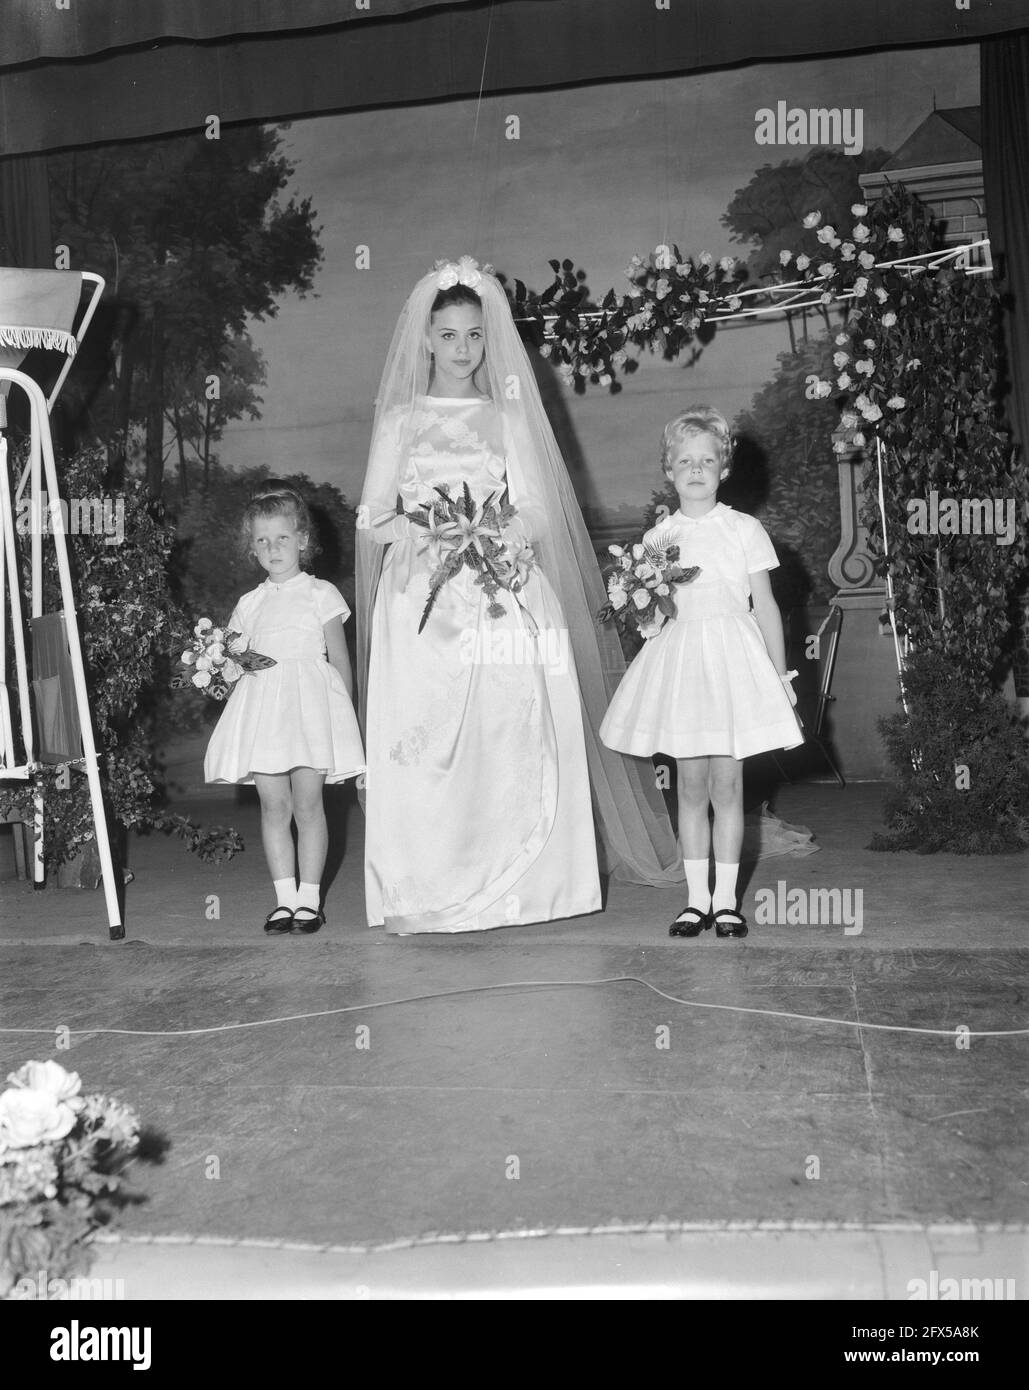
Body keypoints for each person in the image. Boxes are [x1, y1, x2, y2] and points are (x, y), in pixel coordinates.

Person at [356, 255, 681, 935]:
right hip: (420, 600)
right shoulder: (400, 423)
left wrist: (496, 534)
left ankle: (524, 882)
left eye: (474, 335)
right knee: (424, 742)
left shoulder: (506, 419)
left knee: (507, 732)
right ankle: (428, 889)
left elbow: (535, 509)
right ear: (425, 339)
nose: (462, 350)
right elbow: (371, 518)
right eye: (447, 336)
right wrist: (431, 532)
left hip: (497, 590)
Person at [600, 406, 803, 939]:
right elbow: (651, 613)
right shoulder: (657, 539)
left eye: (707, 460)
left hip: (734, 663)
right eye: (685, 461)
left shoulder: (744, 529)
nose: (696, 470)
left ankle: (727, 902)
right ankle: (695, 901)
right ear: (669, 469)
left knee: (728, 785)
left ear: (724, 469)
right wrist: (640, 607)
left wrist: (780, 677)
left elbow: (766, 606)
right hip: (685, 666)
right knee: (690, 785)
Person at [204, 482, 365, 934]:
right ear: (251, 547)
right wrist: (215, 663)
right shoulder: (249, 605)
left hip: (312, 712)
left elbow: (339, 661)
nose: (272, 548)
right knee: (274, 807)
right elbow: (237, 663)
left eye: (282, 538)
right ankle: (284, 899)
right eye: (262, 540)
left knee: (309, 805)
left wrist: (343, 720)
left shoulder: (322, 594)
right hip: (266, 716)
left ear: (303, 541)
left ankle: (310, 900)